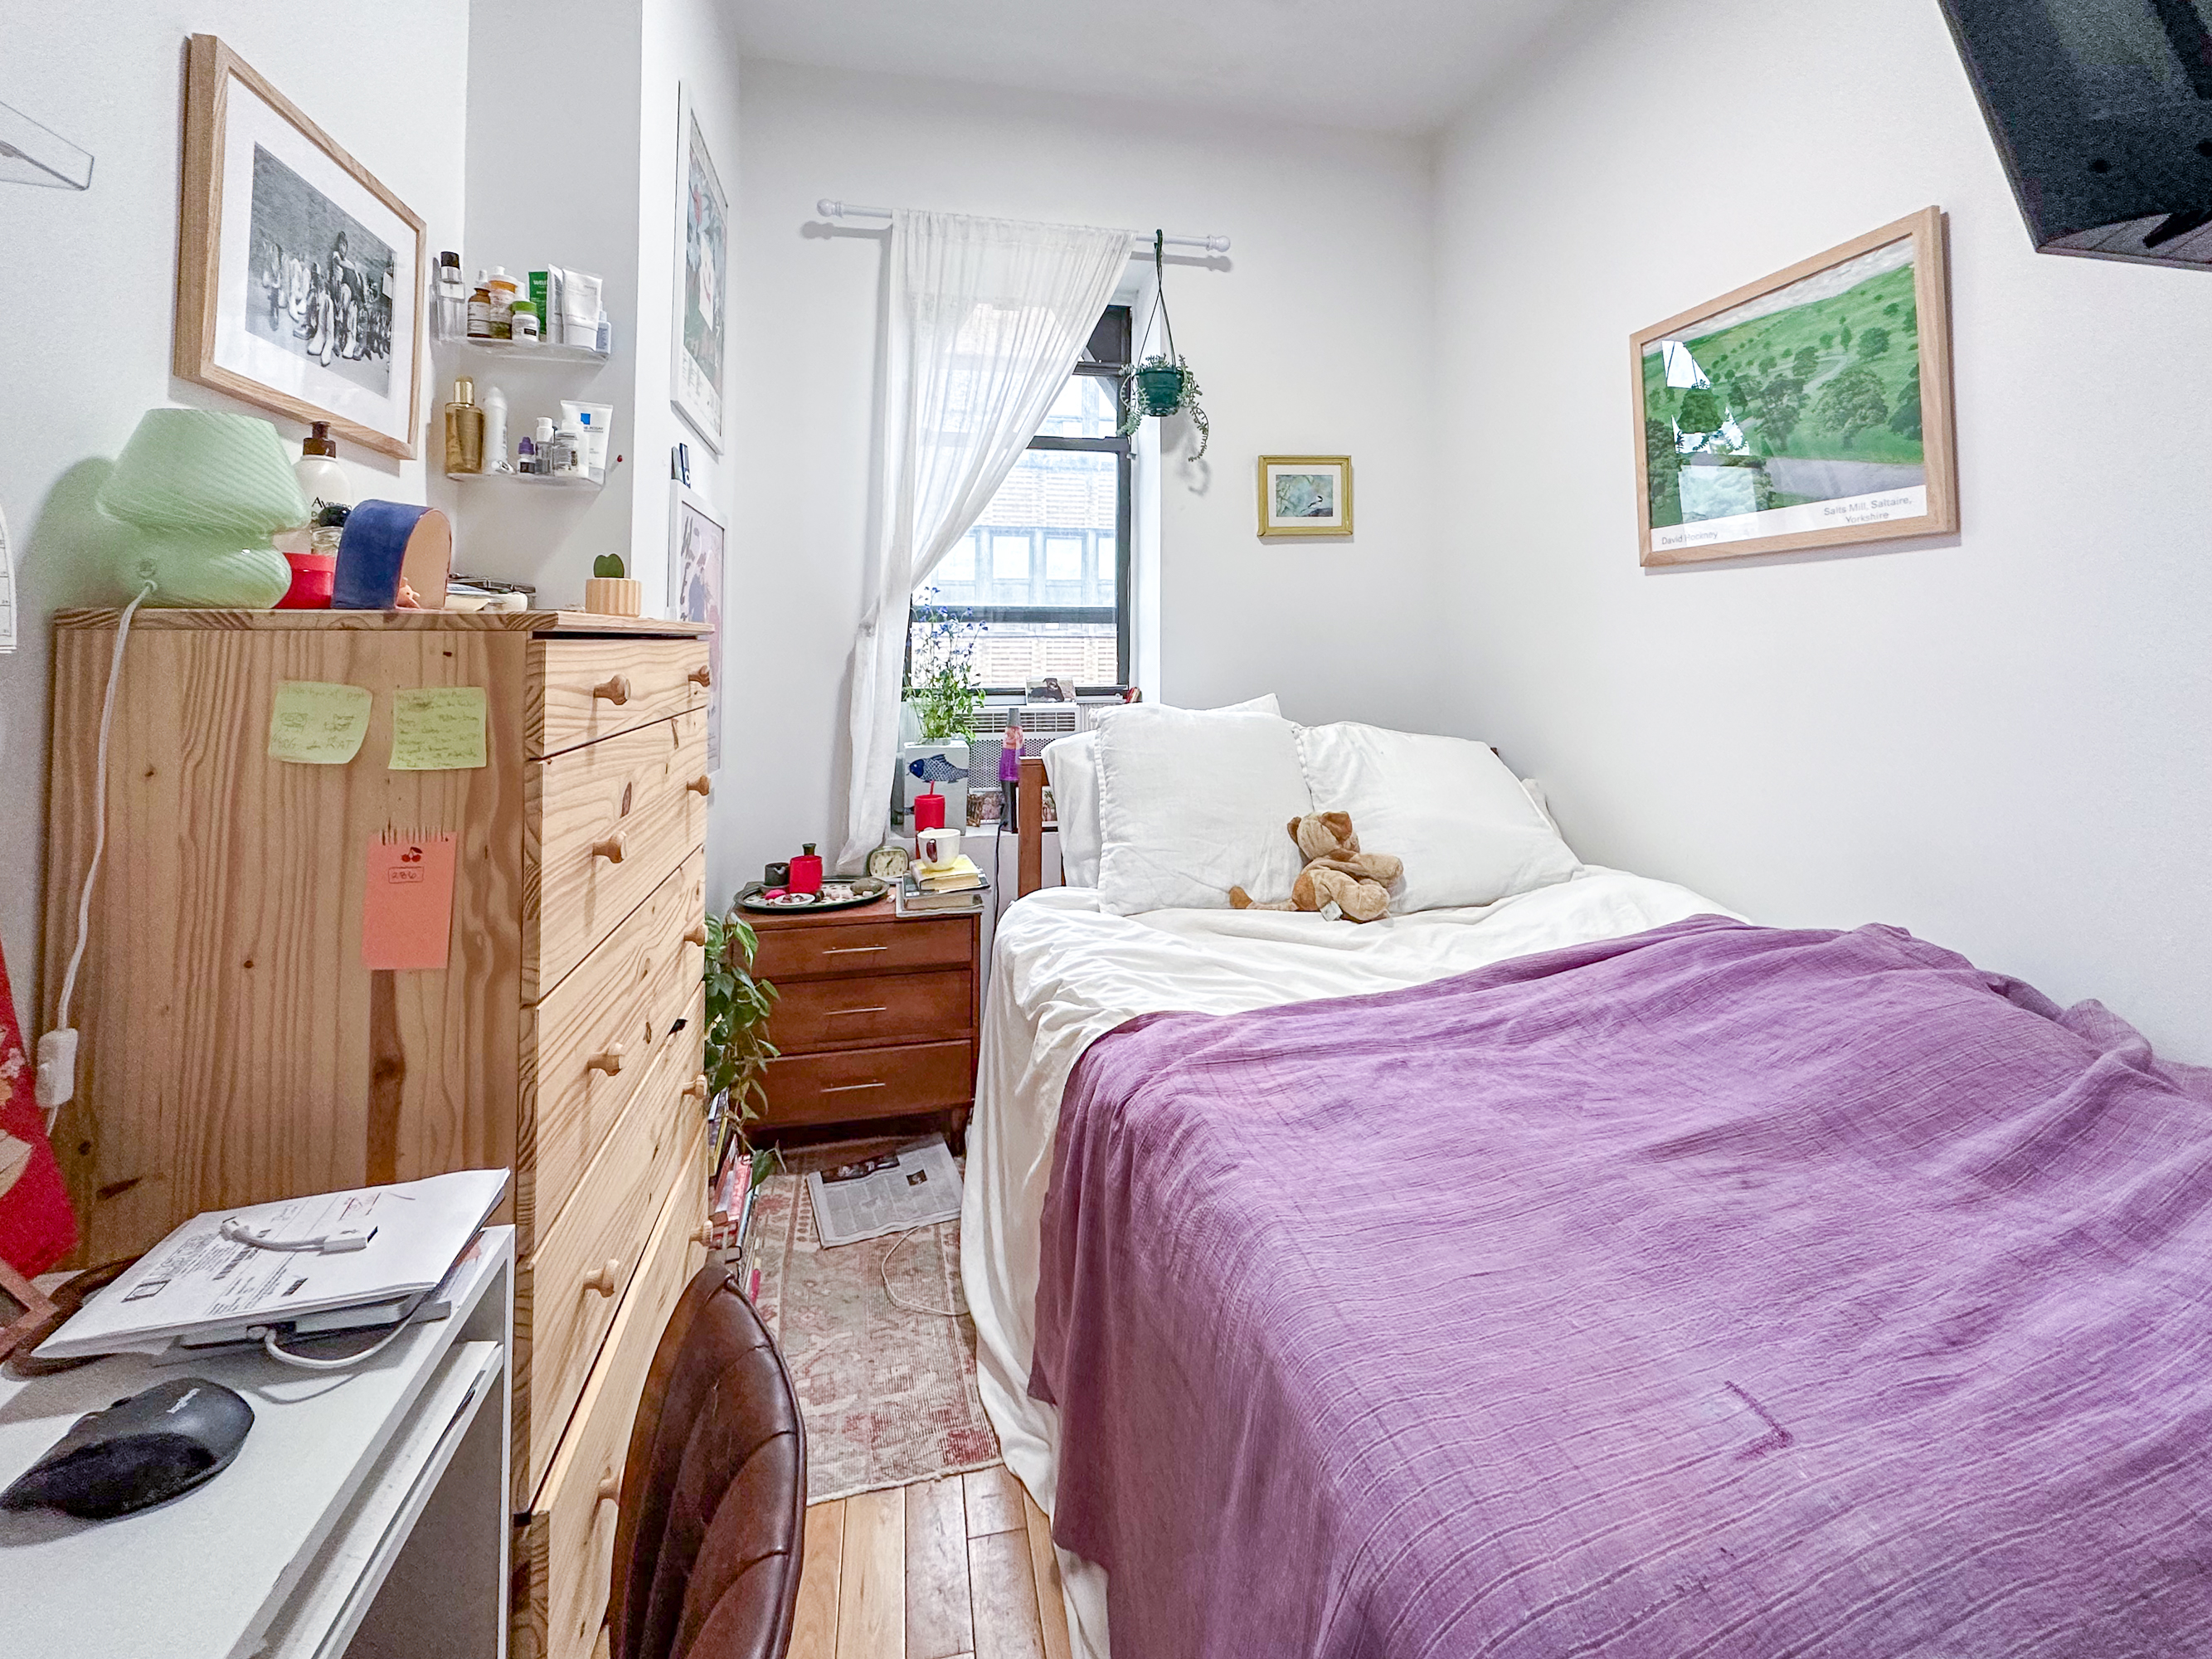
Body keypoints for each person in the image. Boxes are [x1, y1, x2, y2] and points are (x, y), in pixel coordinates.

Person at [999, 717, 1024, 835]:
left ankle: (1014, 820)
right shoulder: (1009, 738)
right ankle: (1009, 819)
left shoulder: (1018, 737)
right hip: (1008, 777)